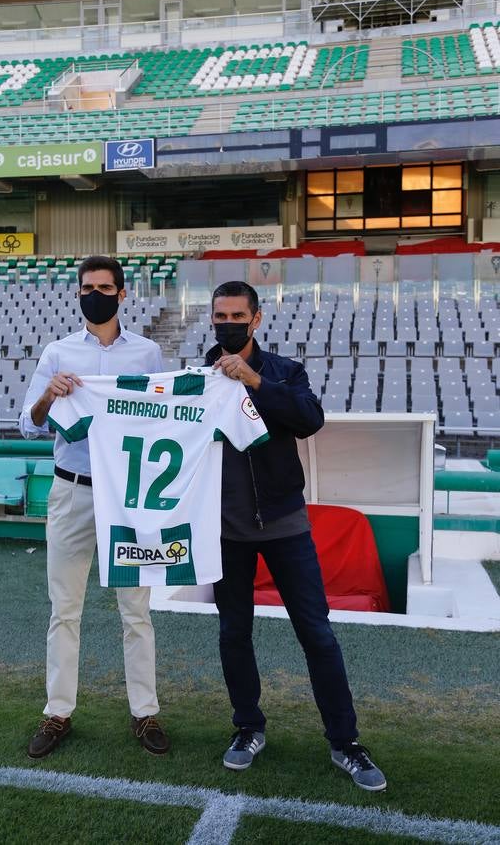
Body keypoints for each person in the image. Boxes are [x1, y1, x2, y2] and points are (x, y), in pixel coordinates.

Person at [205, 281, 386, 792]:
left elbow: (309, 420)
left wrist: (255, 380)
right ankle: (248, 728)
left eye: (236, 315)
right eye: (219, 315)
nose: (227, 323)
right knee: (233, 633)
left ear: (256, 320)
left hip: (284, 521)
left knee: (317, 632)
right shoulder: (195, 377)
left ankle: (345, 741)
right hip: (224, 528)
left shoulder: (285, 371)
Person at [19, 255, 170, 759]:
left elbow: (165, 418)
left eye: (104, 287)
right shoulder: (58, 353)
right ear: (78, 292)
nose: (95, 293)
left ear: (122, 294)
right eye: (87, 287)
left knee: (137, 610)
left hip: (127, 498)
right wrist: (49, 396)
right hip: (73, 489)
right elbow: (30, 423)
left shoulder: (147, 354)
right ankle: (57, 711)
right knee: (65, 608)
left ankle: (145, 713)